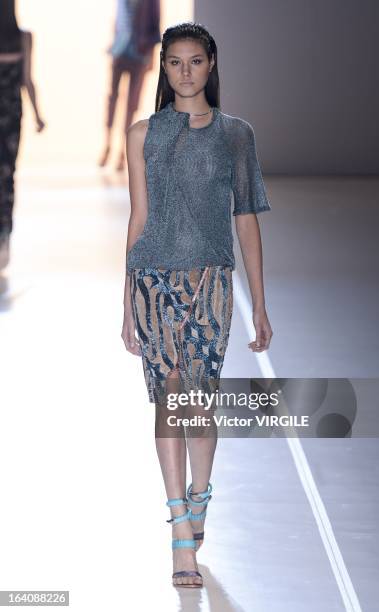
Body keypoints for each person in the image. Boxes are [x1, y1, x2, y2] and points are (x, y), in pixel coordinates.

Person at [121, 22, 273, 588]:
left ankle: (200, 494)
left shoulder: (236, 135)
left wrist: (259, 303)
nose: (185, 72)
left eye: (195, 61)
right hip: (153, 281)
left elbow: (246, 219)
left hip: (211, 284)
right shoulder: (142, 135)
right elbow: (137, 219)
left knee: (199, 408)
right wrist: (126, 300)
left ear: (211, 65)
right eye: (174, 62)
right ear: (164, 68)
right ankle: (180, 530)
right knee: (168, 400)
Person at [0, 0, 45, 271]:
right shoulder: (24, 37)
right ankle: (4, 236)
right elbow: (27, 80)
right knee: (7, 174)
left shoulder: (24, 37)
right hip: (11, 113)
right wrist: (38, 115)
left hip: (10, 113)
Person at [99, 0, 160, 171]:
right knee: (112, 97)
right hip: (120, 49)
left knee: (131, 104)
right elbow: (119, 18)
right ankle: (108, 144)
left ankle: (121, 151)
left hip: (139, 53)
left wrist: (151, 57)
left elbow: (155, 26)